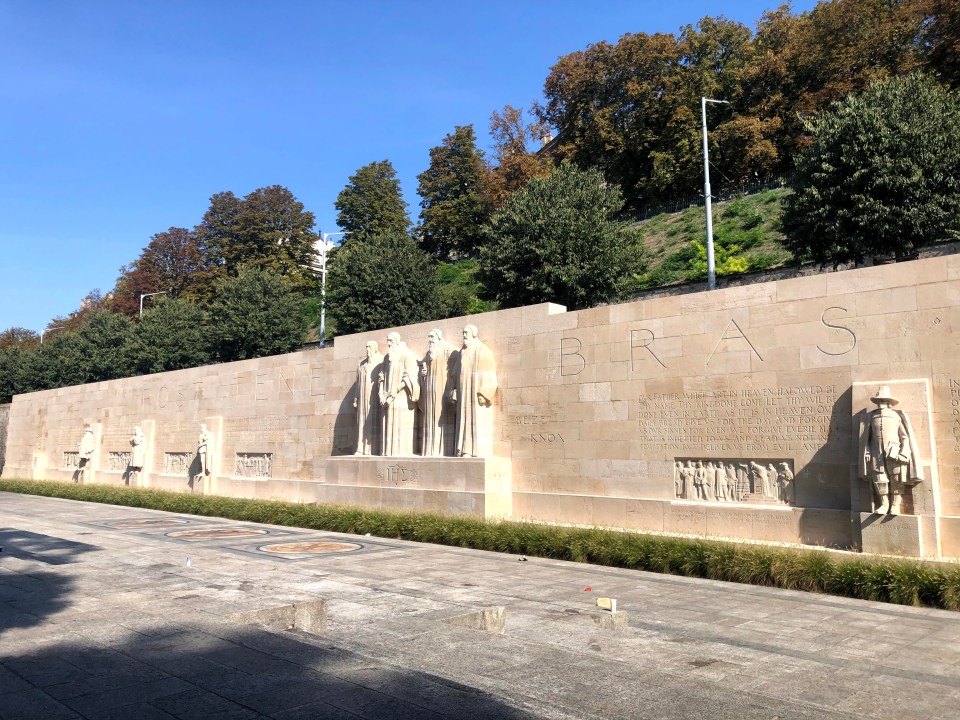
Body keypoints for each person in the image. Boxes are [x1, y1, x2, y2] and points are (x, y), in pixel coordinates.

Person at [859, 385, 922, 515]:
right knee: (879, 478)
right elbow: (866, 438)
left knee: (896, 478)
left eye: (883, 400)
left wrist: (904, 452)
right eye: (878, 401)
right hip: (877, 453)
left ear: (888, 402)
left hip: (893, 452)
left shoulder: (895, 416)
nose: (880, 403)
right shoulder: (871, 417)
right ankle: (884, 503)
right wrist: (868, 451)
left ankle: (895, 504)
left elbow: (904, 436)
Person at [450, 325, 498, 458]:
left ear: (473, 334)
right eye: (463, 332)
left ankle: (474, 451)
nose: (464, 335)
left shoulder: (482, 349)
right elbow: (455, 373)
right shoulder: (462, 352)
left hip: (475, 393)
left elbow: (489, 372)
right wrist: (454, 389)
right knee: (462, 421)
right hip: (463, 394)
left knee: (474, 420)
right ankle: (463, 449)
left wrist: (484, 392)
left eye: (466, 333)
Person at [379, 332, 420, 456]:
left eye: (391, 340)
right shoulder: (387, 357)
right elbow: (381, 377)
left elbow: (410, 375)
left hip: (401, 397)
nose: (389, 343)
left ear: (397, 340)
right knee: (388, 424)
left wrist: (396, 390)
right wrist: (381, 393)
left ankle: (401, 452)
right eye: (387, 340)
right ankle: (387, 452)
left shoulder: (406, 354)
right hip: (387, 397)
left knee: (399, 425)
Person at [419, 329, 456, 457]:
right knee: (429, 419)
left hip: (442, 392)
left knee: (441, 419)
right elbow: (422, 366)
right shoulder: (429, 353)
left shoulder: (448, 350)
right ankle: (428, 450)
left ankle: (441, 451)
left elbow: (455, 370)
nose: (430, 339)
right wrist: (423, 374)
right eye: (428, 336)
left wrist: (453, 388)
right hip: (429, 393)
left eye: (432, 336)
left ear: (439, 337)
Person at [353, 341, 383, 455]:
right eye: (366, 347)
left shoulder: (381, 361)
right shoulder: (361, 365)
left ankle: (373, 448)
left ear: (375, 349)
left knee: (373, 421)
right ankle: (360, 448)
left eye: (369, 347)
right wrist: (356, 398)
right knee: (361, 422)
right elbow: (358, 383)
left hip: (374, 398)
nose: (367, 349)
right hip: (362, 397)